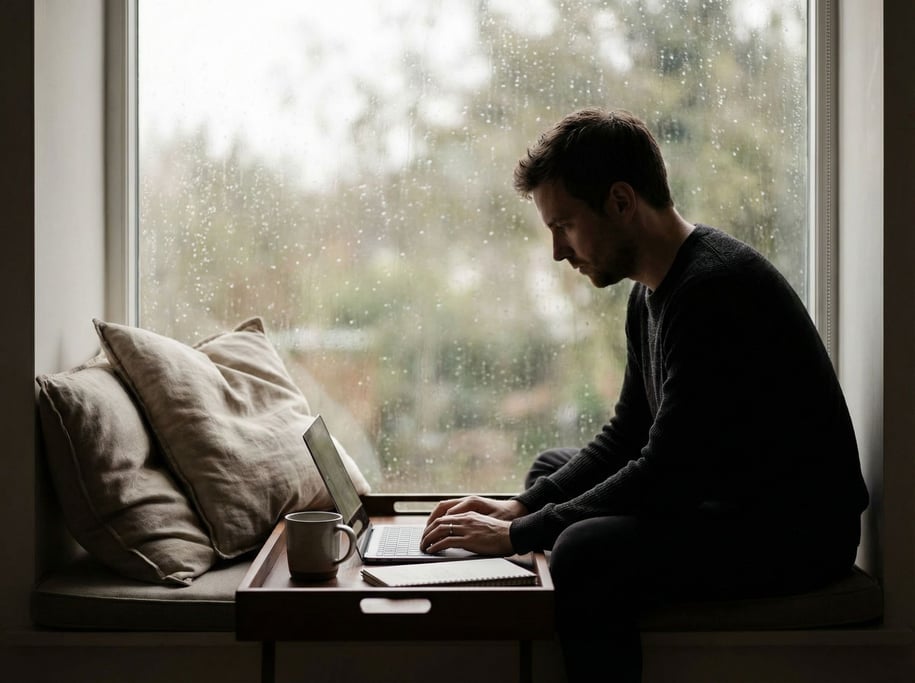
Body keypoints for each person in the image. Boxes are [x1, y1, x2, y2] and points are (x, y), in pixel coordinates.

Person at [420, 108, 869, 682]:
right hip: (722, 497)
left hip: (792, 532)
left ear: (621, 202)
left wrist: (517, 533)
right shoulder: (650, 292)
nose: (558, 251)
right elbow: (628, 433)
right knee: (546, 472)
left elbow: (668, 470)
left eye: (564, 226)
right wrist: (522, 506)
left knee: (581, 549)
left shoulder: (715, 289)